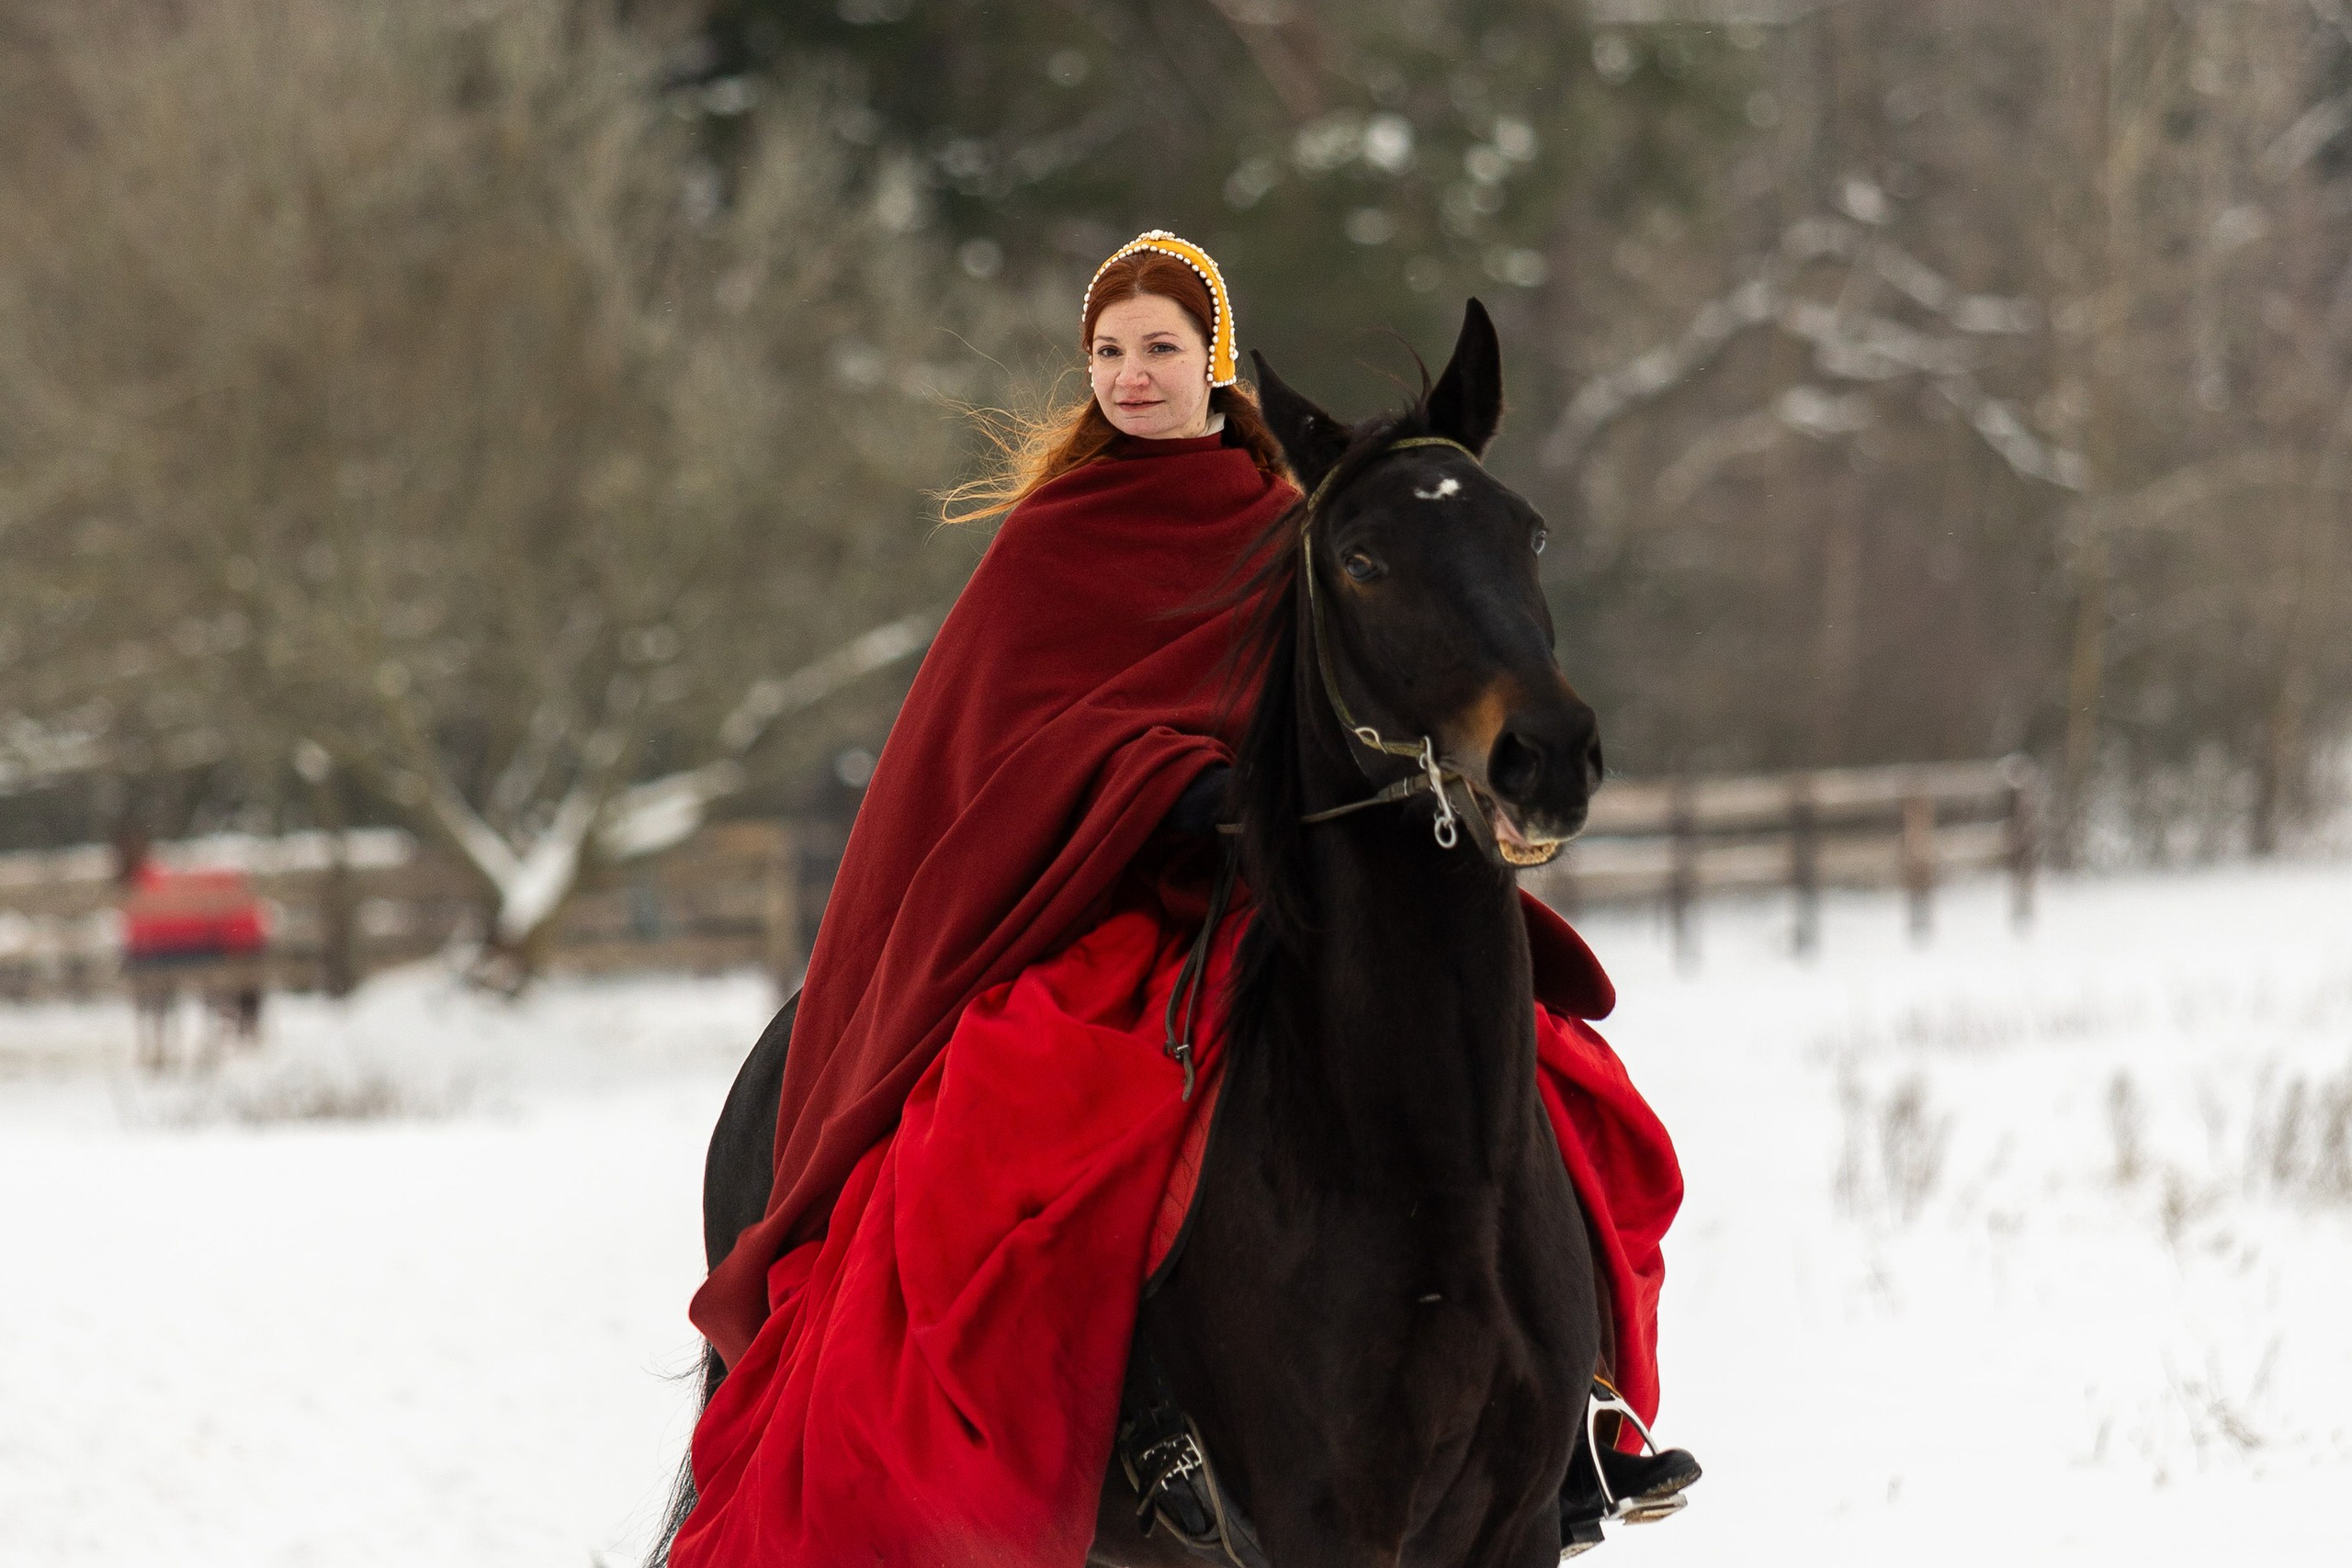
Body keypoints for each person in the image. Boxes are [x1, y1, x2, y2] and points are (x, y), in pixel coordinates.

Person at [670, 232, 1692, 1567]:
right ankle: (1080, 1435)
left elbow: (1364, 703)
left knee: (1546, 1077)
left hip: (1301, 892)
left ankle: (1570, 1413)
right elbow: (1006, 762)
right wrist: (1164, 790)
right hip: (1104, 901)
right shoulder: (1049, 547)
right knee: (1027, 1110)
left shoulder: (1293, 524)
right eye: (1108, 353)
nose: (1132, 375)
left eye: (1159, 349)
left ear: (1214, 363)